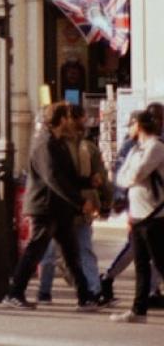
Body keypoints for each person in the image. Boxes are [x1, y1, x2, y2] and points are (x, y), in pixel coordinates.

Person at [3, 102, 100, 311]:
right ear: (61, 120)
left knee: (71, 254)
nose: (72, 121)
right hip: (45, 207)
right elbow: (53, 178)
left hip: (60, 208)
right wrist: (80, 201)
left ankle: (85, 297)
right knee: (35, 251)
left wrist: (87, 182)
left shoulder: (58, 143)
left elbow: (67, 176)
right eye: (68, 117)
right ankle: (14, 293)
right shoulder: (44, 144)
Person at [37, 105, 108, 305]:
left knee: (80, 250)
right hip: (63, 206)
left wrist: (101, 198)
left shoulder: (86, 146)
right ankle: (46, 290)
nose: (85, 121)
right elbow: (58, 179)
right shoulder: (56, 145)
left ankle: (92, 291)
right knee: (53, 252)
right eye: (82, 117)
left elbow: (99, 174)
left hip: (79, 206)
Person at [110, 108, 164, 323]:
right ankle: (138, 310)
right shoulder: (135, 149)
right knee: (141, 265)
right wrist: (128, 179)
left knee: (161, 262)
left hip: (155, 215)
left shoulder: (156, 147)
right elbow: (121, 177)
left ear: (139, 125)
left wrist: (129, 178)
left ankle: (140, 308)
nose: (129, 130)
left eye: (131, 125)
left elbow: (135, 174)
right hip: (137, 214)